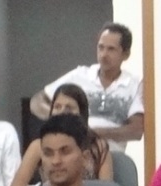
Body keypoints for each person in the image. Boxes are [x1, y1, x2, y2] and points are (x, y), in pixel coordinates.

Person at [33, 22, 146, 150]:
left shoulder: (134, 84)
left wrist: (93, 133)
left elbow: (136, 131)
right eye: (101, 47)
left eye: (111, 49)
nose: (104, 54)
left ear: (126, 54)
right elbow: (37, 101)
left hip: (112, 154)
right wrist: (62, 120)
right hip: (74, 152)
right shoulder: (80, 75)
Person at [7, 83, 115, 186]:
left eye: (69, 108)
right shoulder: (38, 146)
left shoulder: (99, 146)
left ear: (81, 113)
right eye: (57, 107)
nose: (62, 112)